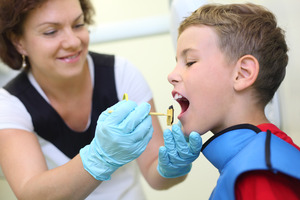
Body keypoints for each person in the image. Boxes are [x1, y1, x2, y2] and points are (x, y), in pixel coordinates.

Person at [0, 0, 203, 199]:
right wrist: (99, 157)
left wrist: (172, 166)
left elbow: (155, 174)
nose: (73, 42)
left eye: (78, 24)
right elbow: (30, 193)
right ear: (18, 41)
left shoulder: (121, 74)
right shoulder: (9, 103)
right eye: (51, 32)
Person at [164, 3, 300, 200]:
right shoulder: (247, 162)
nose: (171, 75)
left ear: (243, 73)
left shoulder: (261, 173)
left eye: (190, 62)